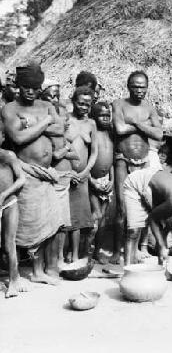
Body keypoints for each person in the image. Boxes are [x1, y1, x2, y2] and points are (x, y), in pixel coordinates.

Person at [2, 64, 63, 284]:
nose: (30, 91)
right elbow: (17, 139)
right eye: (26, 87)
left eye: (35, 88)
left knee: (49, 222)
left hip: (46, 174)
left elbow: (60, 130)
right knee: (31, 224)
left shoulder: (46, 104)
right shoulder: (10, 108)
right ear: (18, 87)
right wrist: (46, 121)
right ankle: (31, 271)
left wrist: (33, 125)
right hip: (26, 172)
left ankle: (40, 271)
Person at [112, 70, 163, 264]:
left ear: (147, 88)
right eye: (135, 86)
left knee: (143, 205)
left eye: (142, 87)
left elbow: (159, 134)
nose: (139, 90)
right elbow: (119, 129)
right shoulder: (118, 104)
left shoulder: (149, 108)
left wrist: (135, 123)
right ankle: (118, 251)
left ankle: (136, 249)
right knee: (121, 208)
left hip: (144, 161)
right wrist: (144, 125)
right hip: (122, 159)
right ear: (128, 86)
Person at [40, 80, 80, 267]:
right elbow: (54, 154)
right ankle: (50, 261)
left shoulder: (60, 114)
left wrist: (64, 150)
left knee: (63, 223)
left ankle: (60, 258)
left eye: (57, 95)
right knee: (50, 223)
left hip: (64, 178)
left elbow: (74, 154)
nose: (55, 99)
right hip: (52, 177)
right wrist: (63, 150)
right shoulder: (43, 117)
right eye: (51, 95)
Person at [65, 86, 98, 262]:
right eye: (80, 103)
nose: (83, 107)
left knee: (77, 218)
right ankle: (62, 255)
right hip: (66, 175)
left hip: (82, 176)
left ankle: (76, 254)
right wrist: (68, 172)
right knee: (64, 215)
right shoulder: (66, 120)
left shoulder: (91, 124)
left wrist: (85, 172)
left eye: (87, 104)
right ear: (73, 101)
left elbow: (94, 153)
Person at [0, 120, 27, 297]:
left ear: (2, 137)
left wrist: (3, 195)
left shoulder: (8, 156)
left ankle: (14, 280)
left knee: (9, 244)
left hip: (9, 202)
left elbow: (21, 179)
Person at [89, 101, 114, 263]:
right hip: (92, 181)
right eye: (101, 116)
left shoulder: (111, 133)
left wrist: (112, 179)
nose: (105, 119)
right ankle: (84, 252)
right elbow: (86, 158)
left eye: (107, 115)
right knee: (94, 218)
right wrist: (92, 181)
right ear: (94, 116)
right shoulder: (92, 132)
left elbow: (111, 159)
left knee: (103, 219)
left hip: (106, 181)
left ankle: (97, 251)